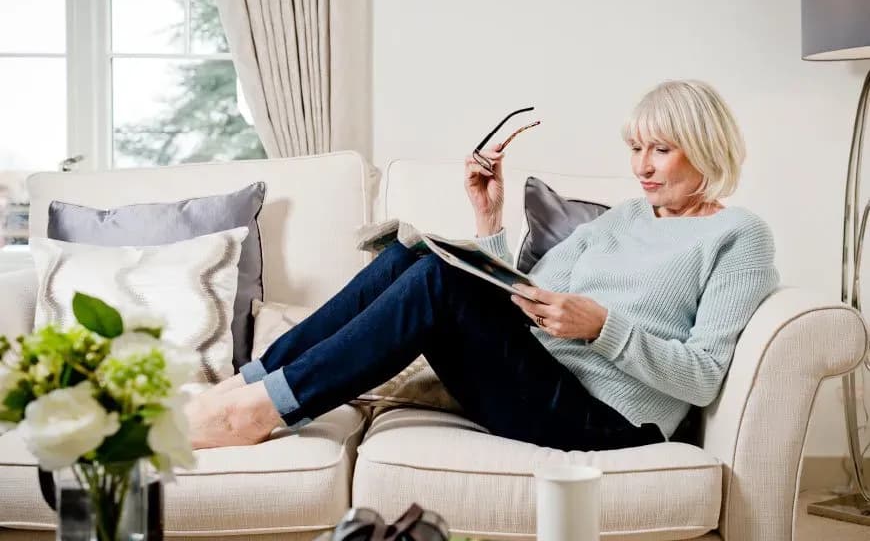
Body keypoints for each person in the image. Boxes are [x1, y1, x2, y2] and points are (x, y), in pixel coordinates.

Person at [186, 80, 779, 452]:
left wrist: (604, 328)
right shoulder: (623, 218)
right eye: (635, 148)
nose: (642, 167)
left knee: (437, 280)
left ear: (704, 147)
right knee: (411, 256)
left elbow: (704, 376)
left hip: (608, 422)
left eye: (661, 149)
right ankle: (247, 386)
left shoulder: (738, 235)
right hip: (537, 380)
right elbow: (521, 297)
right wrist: (488, 218)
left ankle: (258, 412)